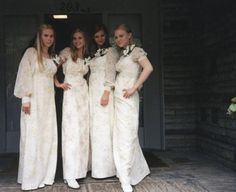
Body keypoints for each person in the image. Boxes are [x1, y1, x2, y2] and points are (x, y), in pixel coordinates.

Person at [14, 24, 58, 190]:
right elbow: (24, 74)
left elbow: (52, 75)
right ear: (40, 37)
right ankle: (32, 177)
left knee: (47, 137)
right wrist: (25, 99)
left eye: (51, 36)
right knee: (33, 137)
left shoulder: (52, 55)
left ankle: (46, 175)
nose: (49, 39)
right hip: (33, 100)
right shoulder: (31, 53)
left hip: (48, 103)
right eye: (46, 35)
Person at [113, 24, 153, 192]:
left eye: (121, 35)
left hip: (128, 98)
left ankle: (126, 177)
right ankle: (125, 170)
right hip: (117, 98)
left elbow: (149, 68)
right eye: (116, 37)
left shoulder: (137, 51)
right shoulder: (123, 54)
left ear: (130, 35)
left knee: (127, 135)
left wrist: (135, 87)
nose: (118, 39)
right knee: (120, 135)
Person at [55, 28, 90, 189]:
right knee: (71, 132)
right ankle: (70, 174)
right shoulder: (67, 52)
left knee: (82, 132)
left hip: (84, 94)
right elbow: (51, 66)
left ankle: (80, 170)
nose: (77, 41)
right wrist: (58, 83)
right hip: (70, 94)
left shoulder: (87, 55)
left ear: (84, 39)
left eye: (80, 38)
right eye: (75, 38)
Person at [89, 24, 118, 178]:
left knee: (104, 128)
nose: (100, 38)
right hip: (92, 94)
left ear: (106, 36)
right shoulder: (94, 54)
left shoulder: (111, 51)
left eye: (102, 35)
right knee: (95, 129)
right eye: (96, 36)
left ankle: (107, 168)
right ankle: (96, 166)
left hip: (103, 92)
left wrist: (106, 92)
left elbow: (111, 73)